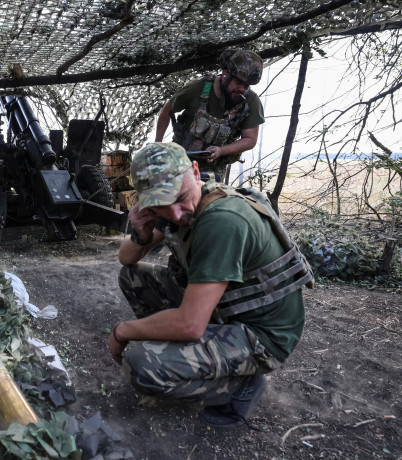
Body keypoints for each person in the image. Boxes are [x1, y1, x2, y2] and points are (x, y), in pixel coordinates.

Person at [108, 142, 312, 428]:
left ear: (195, 171)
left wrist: (123, 331)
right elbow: (125, 258)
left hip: (262, 335)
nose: (176, 214)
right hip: (227, 312)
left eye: (179, 198)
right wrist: (142, 234)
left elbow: (190, 325)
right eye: (162, 206)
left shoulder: (222, 220)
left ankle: (241, 387)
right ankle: (195, 356)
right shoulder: (185, 203)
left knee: (141, 365)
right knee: (133, 277)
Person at [154, 49, 265, 182]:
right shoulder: (198, 88)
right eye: (239, 82)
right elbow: (167, 110)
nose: (242, 88)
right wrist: (157, 145)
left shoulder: (250, 101)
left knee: (211, 200)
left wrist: (221, 150)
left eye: (246, 85)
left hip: (214, 170)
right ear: (225, 74)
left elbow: (250, 139)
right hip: (181, 162)